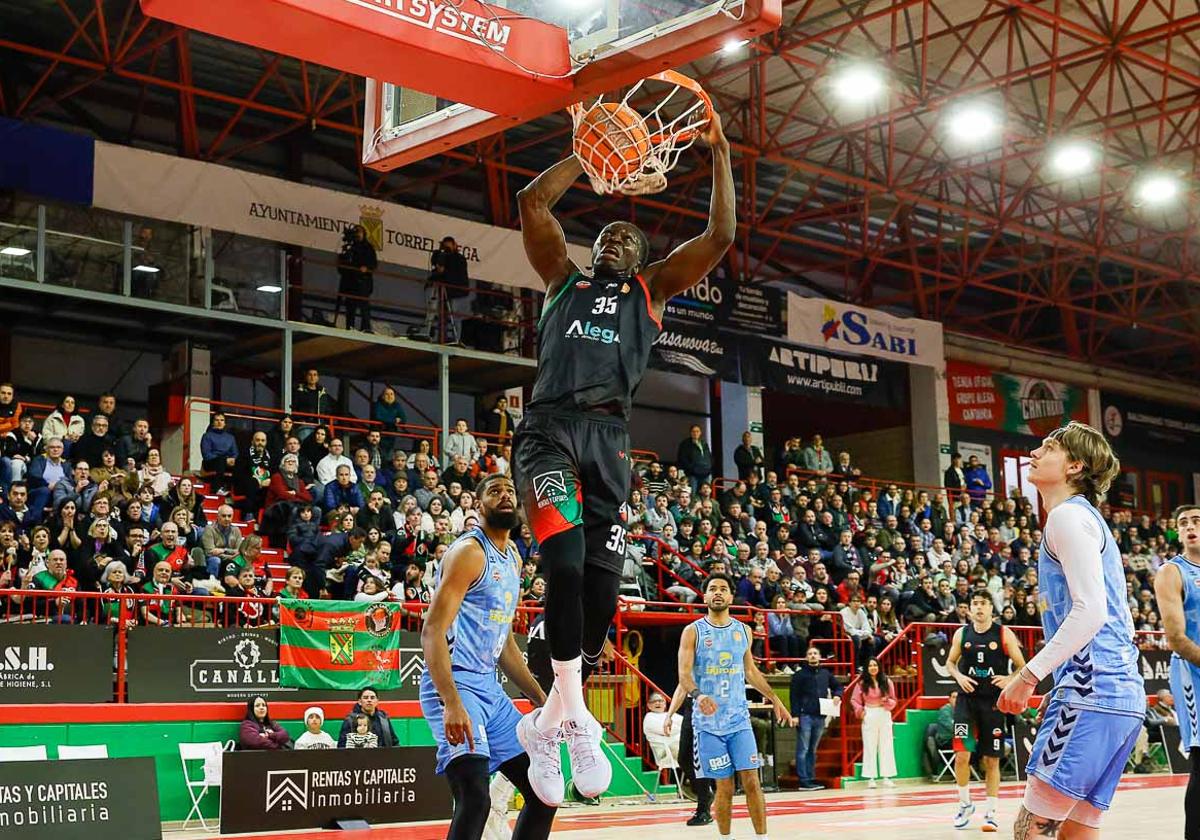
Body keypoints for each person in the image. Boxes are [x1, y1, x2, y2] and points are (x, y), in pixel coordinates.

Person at [512, 110, 734, 804]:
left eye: (625, 239)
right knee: (564, 563)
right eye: (606, 233)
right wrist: (586, 153)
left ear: (639, 258)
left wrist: (720, 153)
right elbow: (532, 202)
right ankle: (575, 721)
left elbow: (720, 235)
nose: (611, 241)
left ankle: (550, 724)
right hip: (549, 429)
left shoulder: (652, 290)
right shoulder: (560, 283)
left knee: (601, 601)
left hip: (608, 442)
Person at [998, 422, 1144, 839]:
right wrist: (1062, 684)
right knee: (1077, 833)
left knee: (1032, 830)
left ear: (1075, 465)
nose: (1035, 451)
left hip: (1094, 693)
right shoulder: (1087, 521)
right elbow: (1114, 615)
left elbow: (1091, 611)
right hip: (1117, 695)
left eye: (1049, 447)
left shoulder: (1066, 516)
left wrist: (1028, 676)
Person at [420, 473, 558, 839]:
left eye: (510, 490)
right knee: (475, 797)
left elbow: (505, 644)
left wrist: (542, 699)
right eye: (494, 491)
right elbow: (432, 630)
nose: (505, 496)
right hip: (456, 682)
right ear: (478, 504)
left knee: (543, 792)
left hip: (489, 689)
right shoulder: (470, 552)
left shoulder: (512, 557)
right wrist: (450, 701)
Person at [665, 573, 793, 840]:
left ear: (731, 596)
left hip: (739, 721)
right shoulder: (693, 632)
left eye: (723, 588)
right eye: (713, 589)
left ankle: (762, 837)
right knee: (724, 785)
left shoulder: (743, 631)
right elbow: (684, 676)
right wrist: (699, 696)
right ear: (705, 596)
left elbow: (751, 672)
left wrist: (776, 700)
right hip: (708, 726)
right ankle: (726, 837)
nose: (718, 592)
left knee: (752, 782)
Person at [946, 588, 1027, 831]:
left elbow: (1023, 666)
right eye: (975, 603)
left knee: (992, 760)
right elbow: (950, 663)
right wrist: (959, 676)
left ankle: (991, 813)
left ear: (992, 608)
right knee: (962, 755)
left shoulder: (1004, 634)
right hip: (966, 702)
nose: (979, 607)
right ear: (969, 609)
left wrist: (1009, 678)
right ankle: (964, 804)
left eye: (983, 603)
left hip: (992, 703)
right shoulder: (962, 634)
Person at [1154, 503, 1200, 838]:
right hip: (1192, 674)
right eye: (1182, 522)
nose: (1189, 527)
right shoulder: (1172, 571)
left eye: (1196, 521)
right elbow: (1176, 638)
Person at [790, 645, 843, 790]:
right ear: (806, 657)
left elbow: (838, 686)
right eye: (810, 654)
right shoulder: (799, 675)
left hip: (820, 716)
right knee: (803, 749)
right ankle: (803, 779)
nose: (813, 656)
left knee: (812, 749)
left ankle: (811, 777)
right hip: (805, 715)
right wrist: (795, 715)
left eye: (815, 653)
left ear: (819, 656)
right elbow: (794, 696)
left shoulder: (825, 674)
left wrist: (838, 695)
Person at [850, 656, 897, 788]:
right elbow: (854, 700)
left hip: (884, 713)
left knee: (886, 745)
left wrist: (887, 701)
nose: (873, 668)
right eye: (870, 666)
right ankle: (871, 777)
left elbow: (894, 699)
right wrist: (861, 711)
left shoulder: (887, 681)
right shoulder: (861, 683)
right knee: (870, 746)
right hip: (869, 713)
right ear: (866, 668)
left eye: (875, 665)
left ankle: (887, 776)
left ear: (879, 667)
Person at [426, 236, 471, 343]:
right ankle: (441, 337)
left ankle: (456, 340)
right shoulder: (443, 256)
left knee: (455, 317)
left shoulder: (459, 258)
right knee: (442, 315)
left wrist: (442, 269)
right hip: (446, 291)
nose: (446, 249)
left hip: (457, 292)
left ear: (455, 245)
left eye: (448, 246)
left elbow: (448, 274)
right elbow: (438, 270)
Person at [338, 224, 378, 331]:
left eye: (360, 232)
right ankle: (349, 328)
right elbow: (341, 265)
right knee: (350, 307)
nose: (358, 235)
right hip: (350, 282)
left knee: (364, 307)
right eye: (356, 232)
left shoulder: (368, 248)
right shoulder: (350, 247)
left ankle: (365, 329)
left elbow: (373, 264)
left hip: (362, 282)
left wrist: (366, 268)